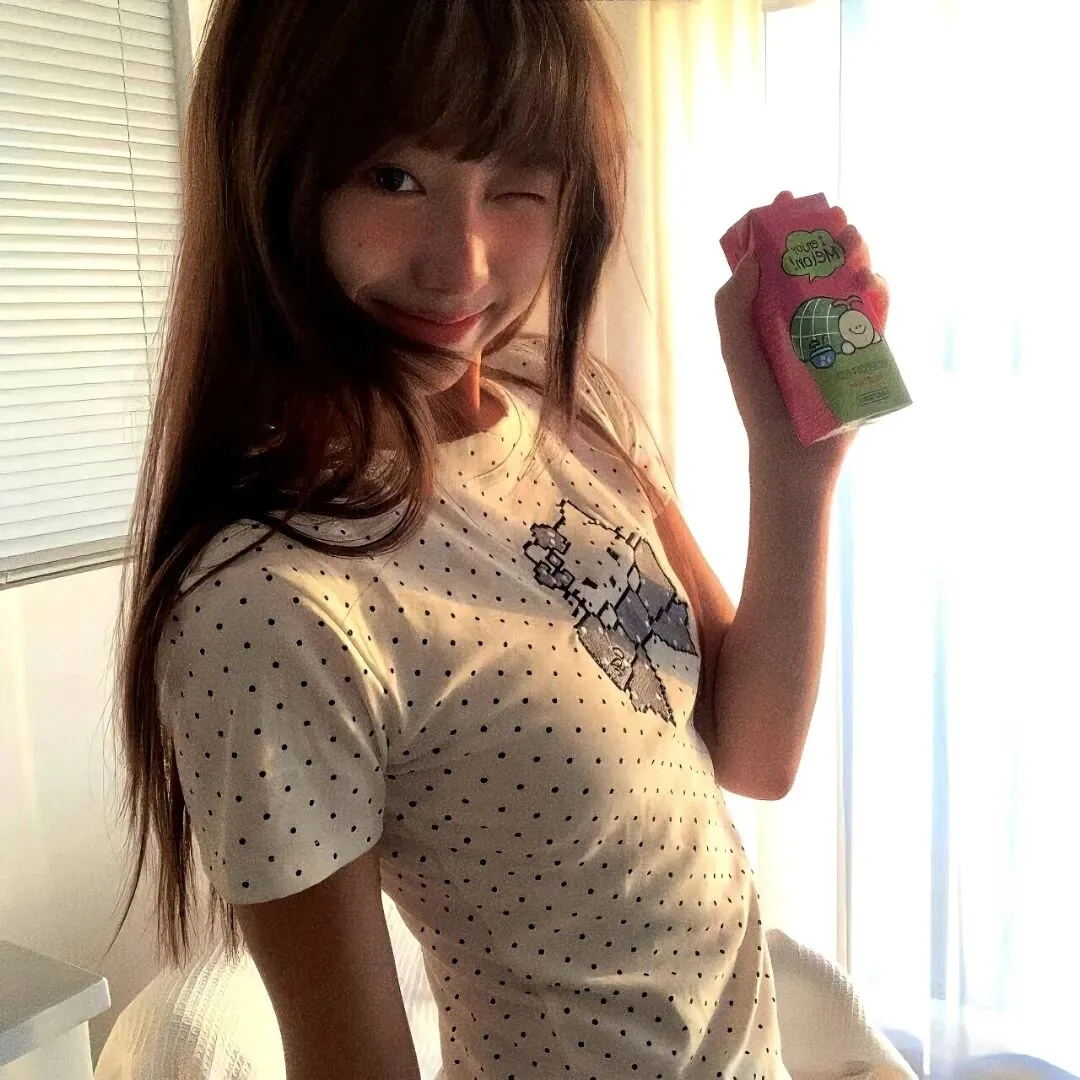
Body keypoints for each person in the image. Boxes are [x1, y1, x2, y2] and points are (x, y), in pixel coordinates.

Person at [107, 2, 855, 1077]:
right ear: (269, 177)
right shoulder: (269, 600)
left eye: (516, 186)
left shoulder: (568, 411)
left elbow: (753, 753)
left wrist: (795, 463)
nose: (460, 267)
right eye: (393, 177)